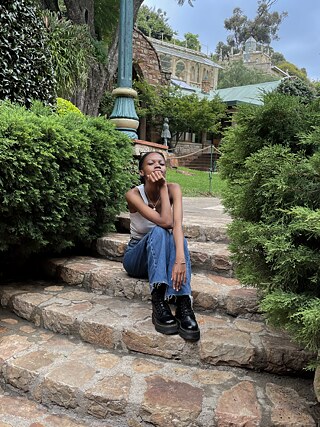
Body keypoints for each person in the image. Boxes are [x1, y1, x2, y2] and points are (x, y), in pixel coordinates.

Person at [123, 151, 200, 341]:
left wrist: (180, 260)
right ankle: (158, 299)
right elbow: (165, 221)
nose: (158, 166)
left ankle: (183, 303)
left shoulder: (176, 189)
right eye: (151, 163)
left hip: (163, 257)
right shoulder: (133, 194)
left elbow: (177, 227)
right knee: (159, 230)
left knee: (174, 235)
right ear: (142, 171)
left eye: (161, 163)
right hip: (137, 257)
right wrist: (163, 188)